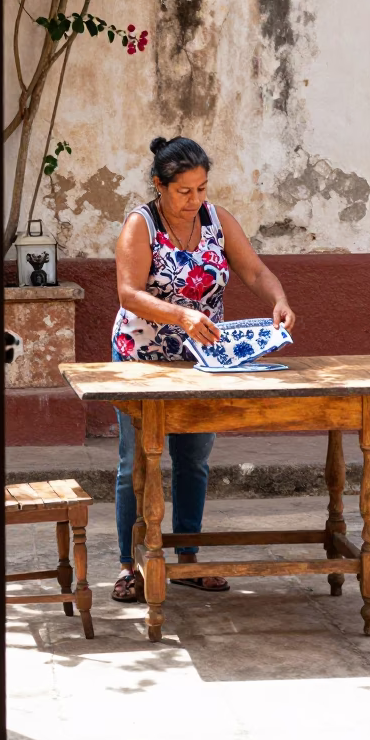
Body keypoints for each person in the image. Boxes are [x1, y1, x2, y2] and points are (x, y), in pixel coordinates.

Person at [111, 135, 296, 602]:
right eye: (184, 191)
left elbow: (253, 270)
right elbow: (129, 294)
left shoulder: (216, 218)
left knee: (193, 460)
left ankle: (188, 559)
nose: (196, 200)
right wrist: (182, 315)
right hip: (143, 356)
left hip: (204, 361)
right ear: (159, 185)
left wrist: (278, 300)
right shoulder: (141, 224)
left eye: (202, 189)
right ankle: (131, 565)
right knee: (136, 463)